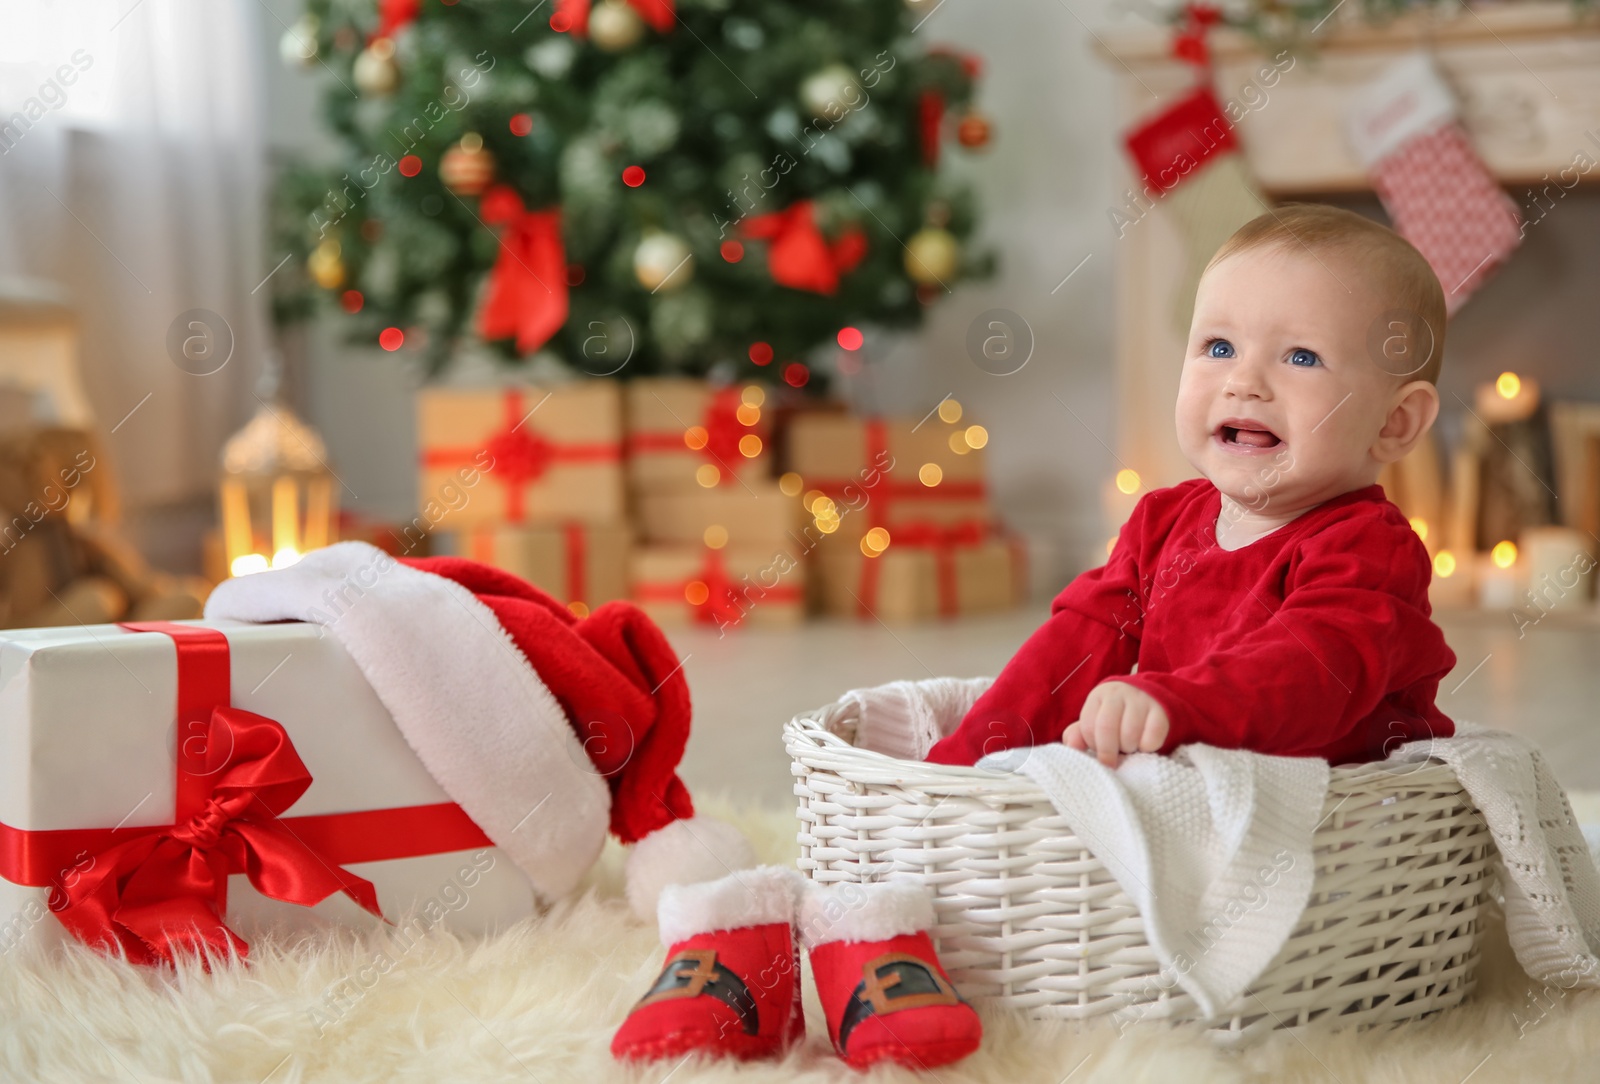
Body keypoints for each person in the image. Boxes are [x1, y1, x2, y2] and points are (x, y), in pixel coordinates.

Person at [927, 203, 1456, 768]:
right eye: (1219, 347)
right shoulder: (1161, 523)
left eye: (1302, 356)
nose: (1244, 382)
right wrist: (964, 765)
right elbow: (1070, 653)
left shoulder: (1368, 549)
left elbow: (1311, 676)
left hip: (1340, 817)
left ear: (1394, 423)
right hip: (1193, 774)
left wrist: (1178, 703)